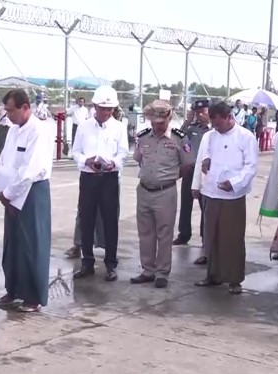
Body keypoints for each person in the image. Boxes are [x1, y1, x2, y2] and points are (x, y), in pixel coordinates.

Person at [0, 89, 54, 312]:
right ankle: (13, 289)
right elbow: (4, 161)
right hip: (11, 190)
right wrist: (1, 189)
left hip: (32, 191)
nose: (8, 115)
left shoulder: (39, 131)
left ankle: (33, 297)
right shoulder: (13, 130)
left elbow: (31, 169)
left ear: (25, 107)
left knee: (32, 244)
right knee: (13, 243)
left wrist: (8, 194)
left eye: (11, 110)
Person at [192, 102, 258, 293]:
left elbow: (251, 167)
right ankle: (213, 275)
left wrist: (235, 183)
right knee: (211, 237)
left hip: (232, 197)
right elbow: (203, 157)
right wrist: (200, 176)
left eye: (219, 124)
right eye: (213, 124)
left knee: (232, 239)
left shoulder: (245, 137)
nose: (216, 128)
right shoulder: (210, 136)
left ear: (229, 117)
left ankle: (234, 280)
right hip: (211, 192)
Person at [132, 100, 194, 288]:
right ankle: (148, 270)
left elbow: (187, 164)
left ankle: (162, 272)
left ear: (169, 118)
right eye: (154, 123)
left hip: (165, 192)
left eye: (161, 123)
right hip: (144, 190)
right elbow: (138, 158)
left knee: (165, 234)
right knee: (145, 233)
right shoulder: (143, 137)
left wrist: (171, 177)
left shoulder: (179, 138)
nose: (157, 127)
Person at [71, 85, 129, 282]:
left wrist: (114, 163)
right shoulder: (84, 126)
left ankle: (111, 263)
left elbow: (123, 152)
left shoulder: (119, 127)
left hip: (109, 178)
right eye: (103, 108)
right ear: (95, 107)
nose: (106, 112)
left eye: (110, 109)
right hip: (88, 178)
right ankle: (87, 262)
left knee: (110, 220)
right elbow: (75, 151)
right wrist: (86, 161)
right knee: (86, 219)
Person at [175, 99, 211, 247]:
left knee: (205, 206)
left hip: (205, 173)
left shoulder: (214, 130)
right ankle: (184, 234)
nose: (200, 115)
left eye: (203, 112)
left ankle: (205, 236)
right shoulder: (192, 128)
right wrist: (187, 122)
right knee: (186, 203)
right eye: (197, 112)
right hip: (190, 170)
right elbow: (178, 138)